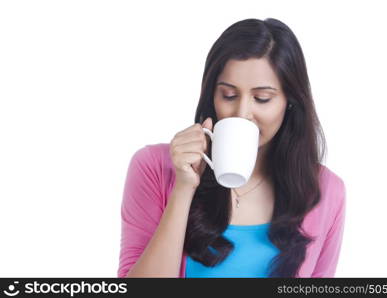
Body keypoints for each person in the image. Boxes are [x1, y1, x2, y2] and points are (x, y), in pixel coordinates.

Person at [117, 17, 346, 278]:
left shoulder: (327, 191)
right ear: (211, 95)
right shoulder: (154, 167)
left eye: (262, 98)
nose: (241, 113)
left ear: (289, 102)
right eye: (228, 95)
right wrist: (183, 188)